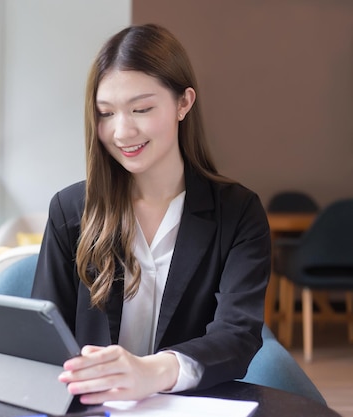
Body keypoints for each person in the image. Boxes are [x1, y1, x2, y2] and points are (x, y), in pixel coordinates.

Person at [31, 23, 271, 405]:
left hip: (189, 406)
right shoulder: (69, 210)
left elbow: (238, 334)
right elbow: (42, 336)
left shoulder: (238, 213)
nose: (122, 131)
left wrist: (154, 371)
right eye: (106, 113)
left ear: (183, 103)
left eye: (141, 109)